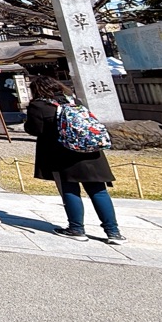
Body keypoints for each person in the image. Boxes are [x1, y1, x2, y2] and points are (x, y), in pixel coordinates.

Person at [25, 76, 125, 244]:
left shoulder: (39, 106)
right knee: (99, 191)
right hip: (91, 153)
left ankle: (76, 228)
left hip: (63, 154)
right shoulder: (74, 102)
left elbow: (34, 129)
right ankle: (113, 232)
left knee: (70, 190)